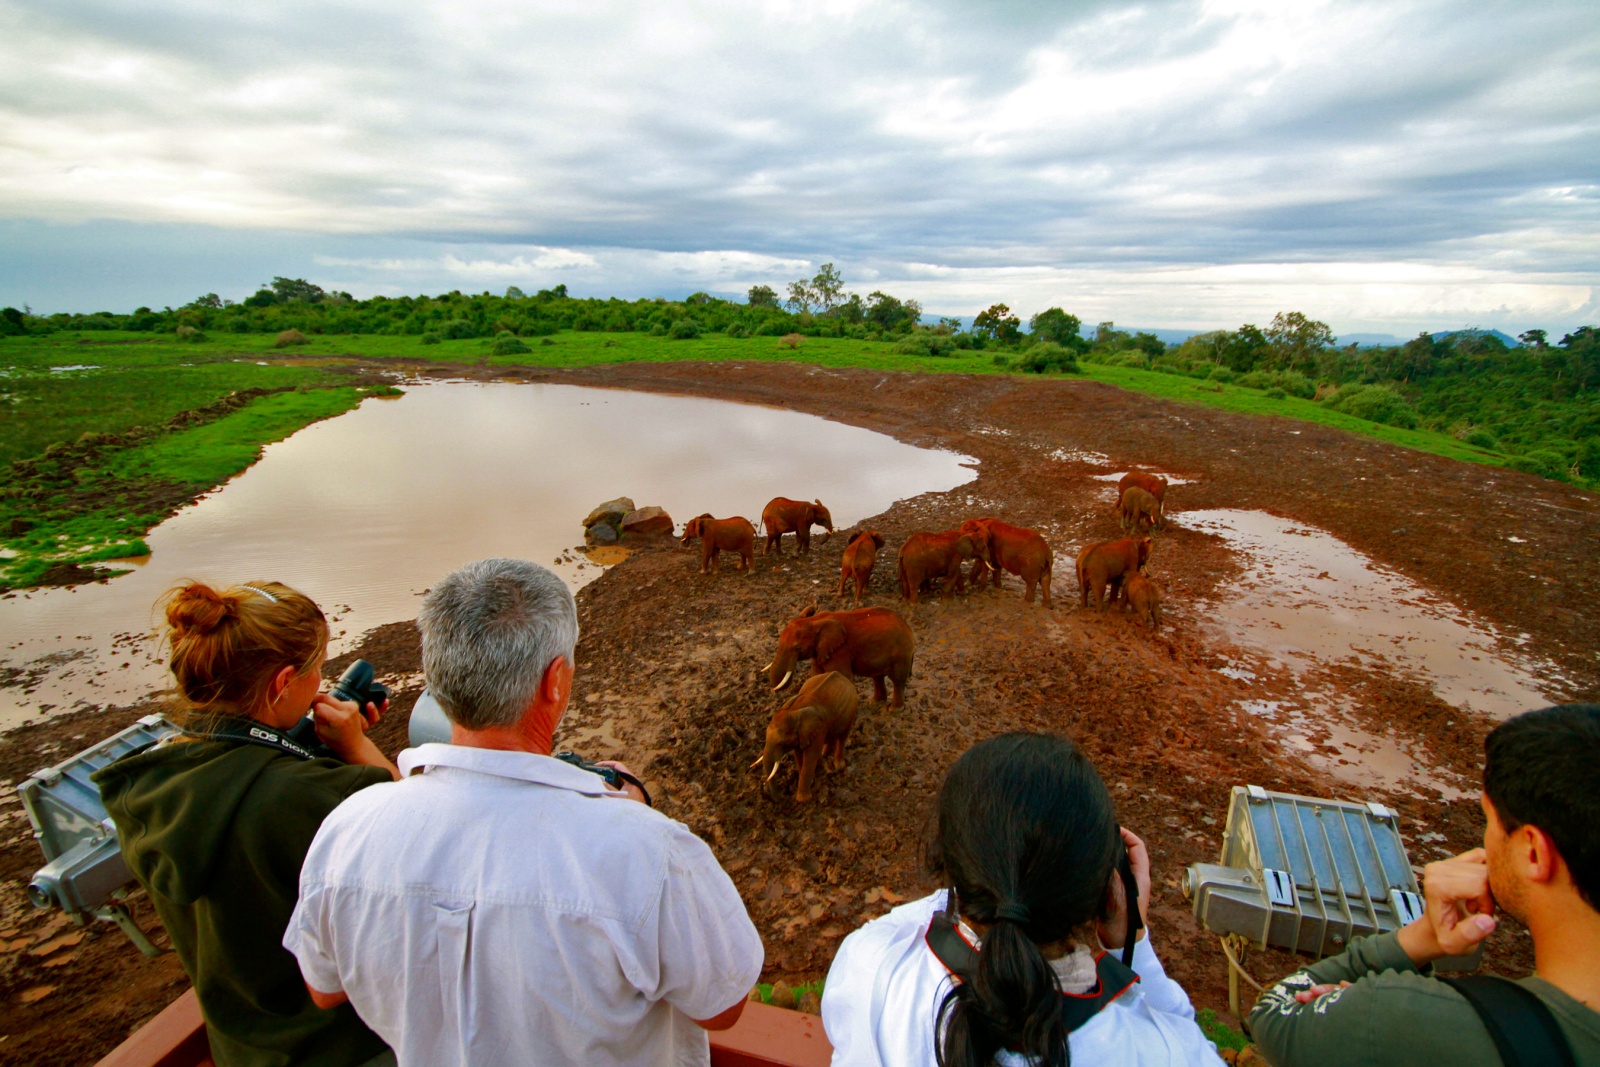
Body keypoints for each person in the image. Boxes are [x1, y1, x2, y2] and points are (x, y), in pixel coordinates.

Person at [284, 557, 763, 1066]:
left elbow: (325, 988)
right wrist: (637, 816)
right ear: (555, 680)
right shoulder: (648, 849)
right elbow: (723, 1005)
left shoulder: (349, 829)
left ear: (440, 678)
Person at [93, 580, 399, 1067]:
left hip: (242, 1046)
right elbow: (417, 837)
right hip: (351, 1047)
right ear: (282, 682)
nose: (321, 684)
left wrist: (299, 748)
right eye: (316, 671)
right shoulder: (306, 796)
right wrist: (357, 748)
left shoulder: (150, 784)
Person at [821, 731, 1223, 1066]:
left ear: (947, 859)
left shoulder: (871, 966)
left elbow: (927, 913)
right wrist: (1132, 941)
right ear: (1108, 892)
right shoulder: (1164, 1051)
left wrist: (989, 857)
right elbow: (1187, 1039)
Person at [1249, 703, 1600, 1065]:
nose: (1484, 845)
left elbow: (1274, 1016)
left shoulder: (1405, 1019)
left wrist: (1421, 938)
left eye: (1489, 821)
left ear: (1533, 854)